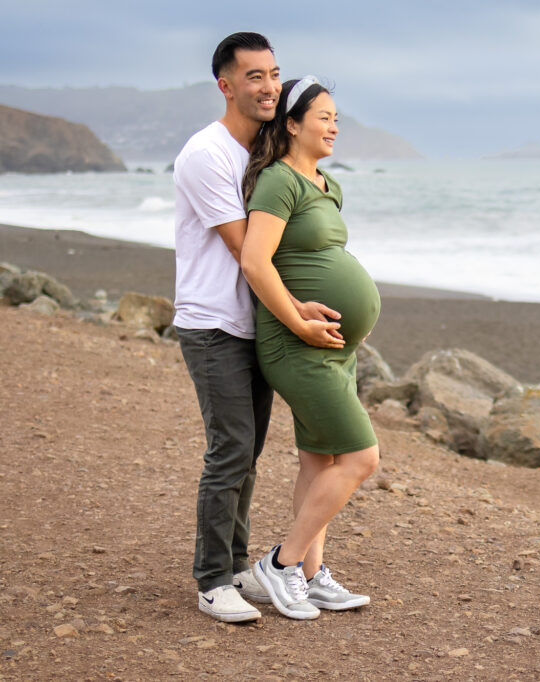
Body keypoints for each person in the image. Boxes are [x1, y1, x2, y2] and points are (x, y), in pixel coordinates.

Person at [173, 34, 344, 623]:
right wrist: (298, 312)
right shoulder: (207, 154)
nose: (269, 86)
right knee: (230, 451)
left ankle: (238, 562)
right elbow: (247, 250)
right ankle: (212, 578)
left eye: (274, 74)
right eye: (254, 77)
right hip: (213, 322)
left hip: (254, 325)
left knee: (247, 455)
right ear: (226, 85)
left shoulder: (262, 155)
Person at [241, 76, 380, 620]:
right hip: (294, 345)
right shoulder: (278, 182)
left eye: (337, 117)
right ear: (292, 123)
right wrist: (300, 324)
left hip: (333, 348)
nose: (334, 126)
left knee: (318, 460)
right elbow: (255, 261)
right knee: (361, 457)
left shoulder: (326, 185)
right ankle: (281, 564)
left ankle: (310, 574)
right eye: (323, 116)